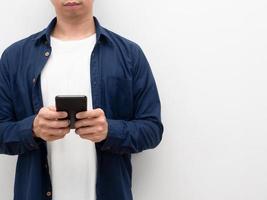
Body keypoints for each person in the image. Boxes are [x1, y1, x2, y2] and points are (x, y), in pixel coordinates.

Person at [0, 0, 164, 199]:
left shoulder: (129, 55)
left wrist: (109, 131)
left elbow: (152, 129)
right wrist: (33, 129)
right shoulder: (14, 57)